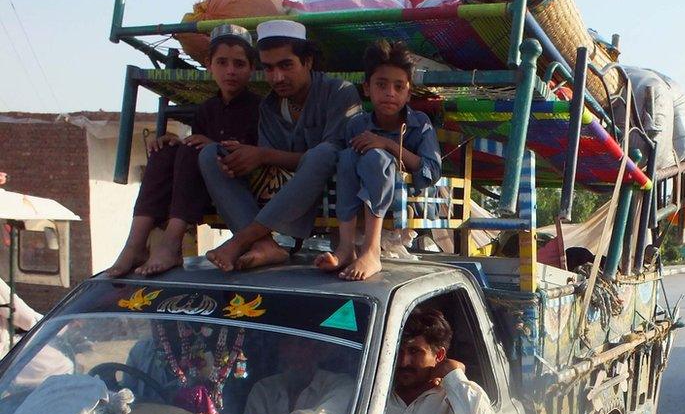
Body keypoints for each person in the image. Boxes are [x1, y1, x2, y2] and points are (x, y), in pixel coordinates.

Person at [200, 20, 362, 271]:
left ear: (307, 62)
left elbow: (336, 156)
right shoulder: (269, 106)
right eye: (268, 68)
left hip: (330, 186)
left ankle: (243, 239)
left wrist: (263, 154)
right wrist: (242, 157)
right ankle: (265, 244)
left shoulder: (340, 92)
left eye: (286, 65)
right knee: (212, 154)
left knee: (324, 153)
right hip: (284, 191)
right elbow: (273, 167)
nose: (277, 77)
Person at [108, 25, 261, 277]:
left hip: (236, 182)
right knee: (164, 150)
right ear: (209, 65)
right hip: (199, 182)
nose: (230, 71)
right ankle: (135, 244)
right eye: (222, 63)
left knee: (193, 150)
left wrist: (211, 146)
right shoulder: (206, 109)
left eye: (239, 64)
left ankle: (171, 244)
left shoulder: (258, 107)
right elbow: (197, 146)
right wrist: (175, 143)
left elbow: (252, 154)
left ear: (251, 69)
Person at [315, 40, 441, 280]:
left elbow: (431, 171)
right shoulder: (356, 124)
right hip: (360, 197)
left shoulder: (420, 123)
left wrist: (389, 145)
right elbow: (346, 172)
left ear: (408, 92)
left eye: (398, 86)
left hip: (404, 200)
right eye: (381, 85)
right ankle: (346, 247)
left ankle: (371, 250)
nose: (389, 93)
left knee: (376, 158)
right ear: (367, 88)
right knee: (346, 156)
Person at [383, 307, 494, 414]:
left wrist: (453, 373)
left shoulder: (453, 399)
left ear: (439, 355)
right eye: (399, 351)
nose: (404, 362)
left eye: (415, 351)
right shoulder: (372, 391)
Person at [243, 336, 355, 414]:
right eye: (288, 344)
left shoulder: (341, 385)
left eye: (302, 345)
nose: (293, 352)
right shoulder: (263, 389)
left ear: (318, 351)